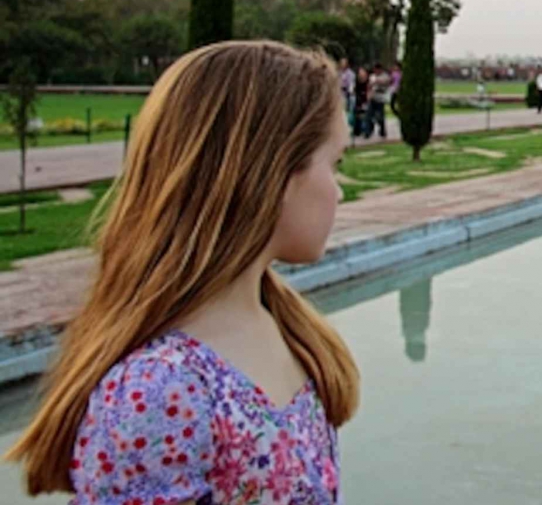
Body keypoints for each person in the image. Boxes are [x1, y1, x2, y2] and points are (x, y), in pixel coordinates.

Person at [5, 41, 358, 501]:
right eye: (335, 164)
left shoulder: (289, 330)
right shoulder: (161, 391)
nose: (340, 192)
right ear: (272, 174)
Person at [367, 64, 391, 140]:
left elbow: (386, 82)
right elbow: (369, 86)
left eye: (376, 70)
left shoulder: (385, 76)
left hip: (381, 98)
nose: (375, 71)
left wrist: (377, 81)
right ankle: (368, 131)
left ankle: (382, 131)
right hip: (373, 98)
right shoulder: (372, 76)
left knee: (380, 116)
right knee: (369, 115)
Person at [352, 66, 370, 137]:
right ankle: (357, 130)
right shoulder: (357, 81)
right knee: (357, 116)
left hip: (365, 99)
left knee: (365, 116)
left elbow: (368, 89)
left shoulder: (367, 81)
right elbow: (354, 90)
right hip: (358, 99)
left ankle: (366, 131)